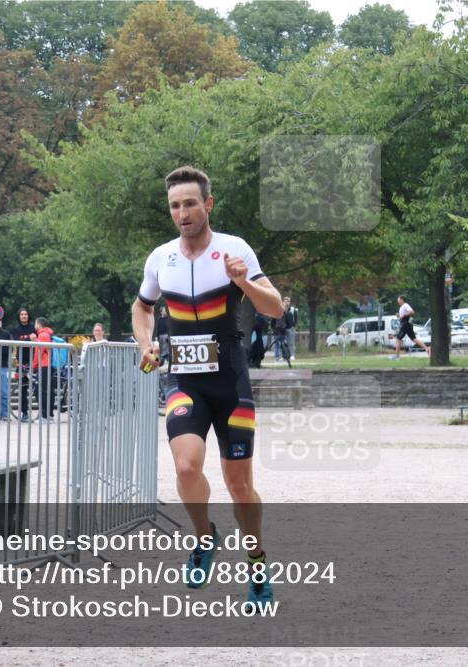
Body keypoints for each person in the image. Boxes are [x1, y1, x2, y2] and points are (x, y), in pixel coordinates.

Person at [132, 165, 283, 607]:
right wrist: (146, 343)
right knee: (185, 468)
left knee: (239, 487)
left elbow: (274, 307)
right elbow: (142, 308)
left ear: (208, 205)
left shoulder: (234, 250)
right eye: (175, 205)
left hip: (230, 381)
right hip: (184, 380)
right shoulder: (161, 258)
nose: (183, 213)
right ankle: (205, 536)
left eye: (190, 204)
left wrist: (242, 280)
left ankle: (257, 563)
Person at [10, 308, 37, 421]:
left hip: (34, 361)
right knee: (22, 389)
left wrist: (28, 339)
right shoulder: (16, 329)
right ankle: (24, 413)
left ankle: (44, 412)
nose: (24, 316)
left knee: (38, 387)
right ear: (19, 316)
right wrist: (28, 338)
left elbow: (37, 338)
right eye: (22, 314)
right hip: (21, 362)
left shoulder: (34, 327)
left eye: (26, 314)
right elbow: (17, 340)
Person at [30, 317, 56, 421]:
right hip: (48, 365)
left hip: (44, 365)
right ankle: (48, 414)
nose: (34, 325)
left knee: (40, 390)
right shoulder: (48, 334)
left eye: (35, 323)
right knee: (48, 390)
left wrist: (34, 365)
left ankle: (45, 415)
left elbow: (38, 352)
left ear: (39, 324)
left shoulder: (42, 335)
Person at [270, 297, 295, 363]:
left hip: (277, 330)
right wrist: (287, 327)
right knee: (282, 343)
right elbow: (288, 322)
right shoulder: (285, 313)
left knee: (278, 345)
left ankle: (278, 357)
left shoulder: (276, 312)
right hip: (282, 330)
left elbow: (272, 322)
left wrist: (273, 328)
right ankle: (284, 356)